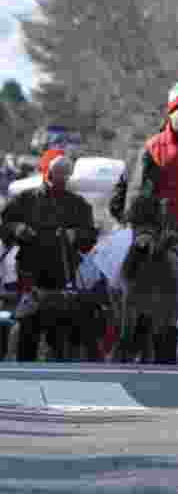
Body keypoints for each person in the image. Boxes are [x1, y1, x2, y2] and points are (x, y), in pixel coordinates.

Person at [123, 81, 178, 364]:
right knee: (131, 278)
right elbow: (138, 195)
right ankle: (132, 335)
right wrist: (144, 232)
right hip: (157, 233)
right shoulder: (152, 149)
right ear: (170, 112)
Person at [0, 150, 97, 361]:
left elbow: (90, 236)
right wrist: (17, 229)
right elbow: (5, 225)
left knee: (59, 334)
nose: (61, 179)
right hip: (30, 274)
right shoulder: (25, 200)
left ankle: (57, 376)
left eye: (65, 174)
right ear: (47, 173)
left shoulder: (78, 205)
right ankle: (24, 375)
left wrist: (75, 234)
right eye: (56, 173)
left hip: (63, 275)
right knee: (28, 330)